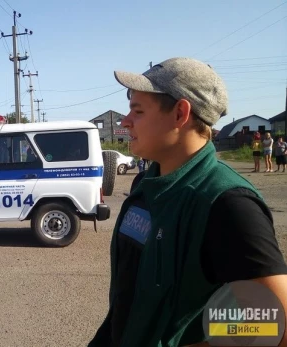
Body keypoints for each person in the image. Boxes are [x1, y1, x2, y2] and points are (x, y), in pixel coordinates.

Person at [89, 57, 287, 347]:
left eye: (138, 110)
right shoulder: (145, 185)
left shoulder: (227, 204)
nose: (125, 121)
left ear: (181, 113)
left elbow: (275, 324)